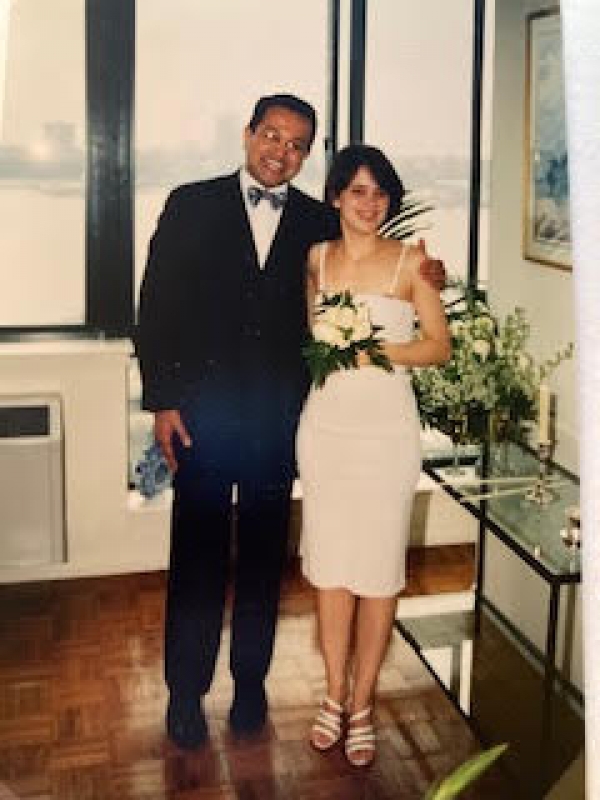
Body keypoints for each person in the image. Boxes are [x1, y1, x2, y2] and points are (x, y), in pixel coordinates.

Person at [135, 94, 445, 749]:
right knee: (196, 559)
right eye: (271, 135)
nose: (281, 150)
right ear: (248, 134)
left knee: (262, 564)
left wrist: (432, 274)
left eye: (297, 143)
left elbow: (372, 265)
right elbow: (155, 305)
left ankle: (251, 683)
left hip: (282, 420)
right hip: (200, 418)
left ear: (308, 156)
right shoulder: (190, 204)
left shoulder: (314, 223)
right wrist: (163, 399)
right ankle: (184, 695)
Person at [296, 144, 451, 767]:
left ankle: (363, 703)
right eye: (357, 191)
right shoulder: (314, 259)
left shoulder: (413, 264)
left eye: (380, 192)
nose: (370, 203)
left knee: (379, 572)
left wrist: (378, 353)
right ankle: (333, 698)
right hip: (326, 429)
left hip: (387, 433)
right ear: (335, 196)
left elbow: (438, 346)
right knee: (332, 570)